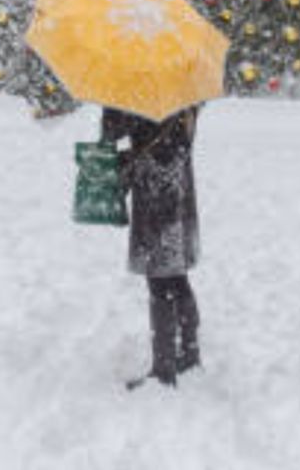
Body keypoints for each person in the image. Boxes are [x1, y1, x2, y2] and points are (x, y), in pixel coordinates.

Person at [101, 105, 201, 390]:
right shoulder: (184, 87)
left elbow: (112, 130)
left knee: (159, 278)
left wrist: (110, 104)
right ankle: (189, 353)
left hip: (155, 187)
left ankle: (164, 367)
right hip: (178, 182)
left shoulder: (141, 87)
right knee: (176, 273)